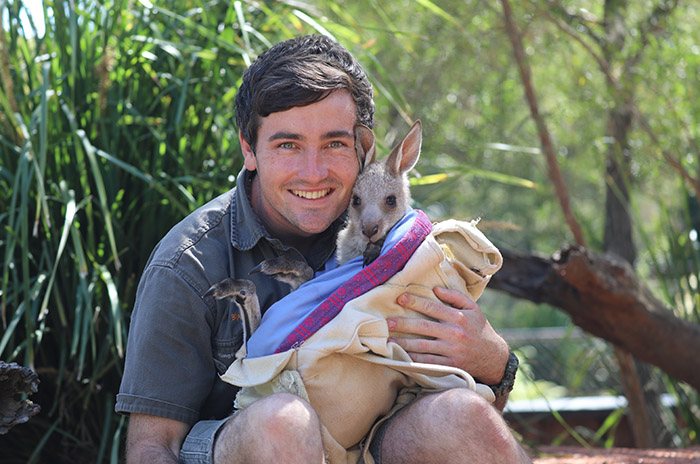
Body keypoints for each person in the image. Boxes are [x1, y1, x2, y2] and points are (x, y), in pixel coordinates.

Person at [116, 34, 532, 464]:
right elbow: (153, 446)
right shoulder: (188, 263)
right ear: (249, 148)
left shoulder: (389, 232)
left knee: (462, 418)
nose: (313, 173)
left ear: (361, 149)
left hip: (372, 432)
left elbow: (470, 400)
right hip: (256, 439)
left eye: (334, 144)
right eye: (287, 145)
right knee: (285, 423)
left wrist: (493, 360)